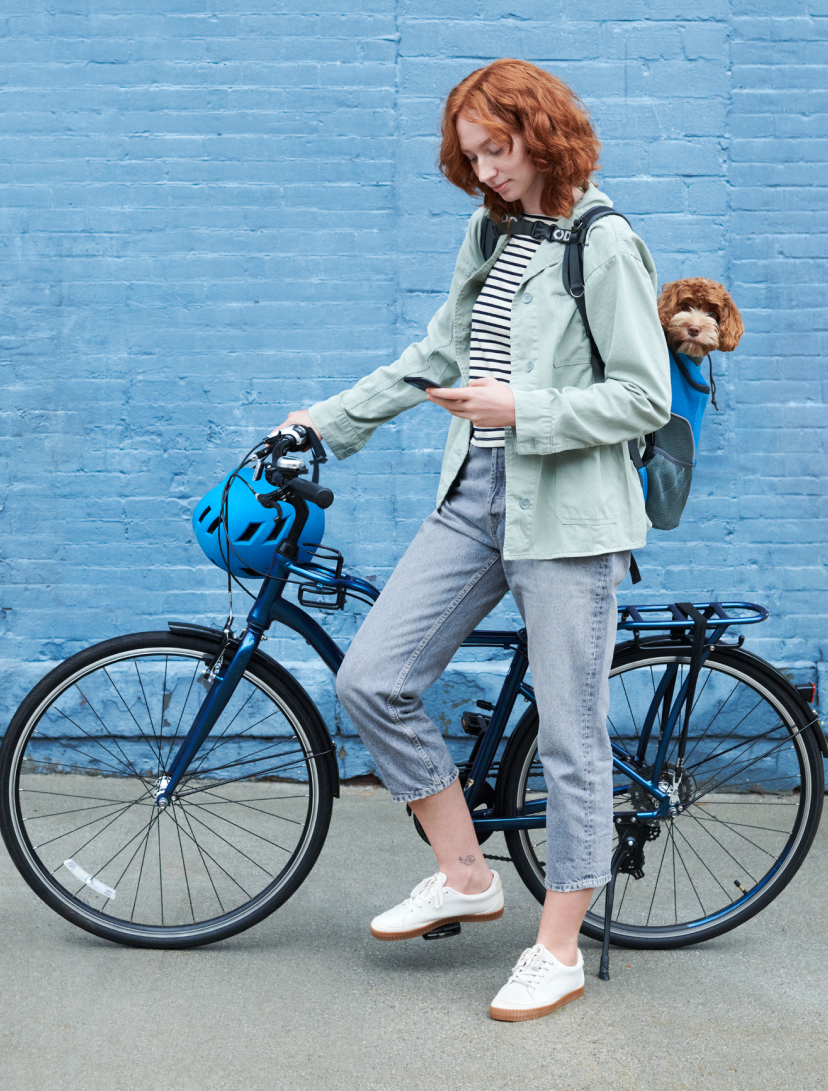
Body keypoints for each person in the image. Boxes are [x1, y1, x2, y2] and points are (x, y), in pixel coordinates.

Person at [277, 59, 670, 1021]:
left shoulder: (603, 243)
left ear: (542, 130)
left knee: (572, 737)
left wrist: (521, 406)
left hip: (568, 513)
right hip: (476, 491)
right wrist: (327, 422)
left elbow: (643, 394)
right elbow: (439, 354)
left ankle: (558, 948)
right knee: (373, 675)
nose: (487, 169)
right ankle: (465, 874)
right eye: (472, 155)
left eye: (498, 149)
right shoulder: (489, 230)